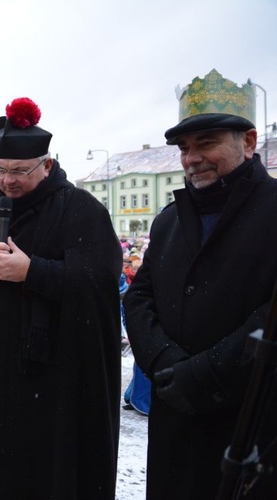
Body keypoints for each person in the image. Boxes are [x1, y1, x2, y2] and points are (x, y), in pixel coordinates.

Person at [0, 97, 121, 499]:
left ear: (46, 165)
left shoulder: (80, 209)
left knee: (39, 473)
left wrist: (33, 272)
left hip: (51, 382)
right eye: (1, 171)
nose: (8, 181)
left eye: (20, 171)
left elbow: (99, 280)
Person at [124, 69, 277, 498]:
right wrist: (164, 362)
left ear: (248, 143)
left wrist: (207, 373)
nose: (192, 158)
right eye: (185, 148)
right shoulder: (170, 219)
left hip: (250, 421)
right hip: (176, 419)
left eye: (206, 143)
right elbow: (139, 297)